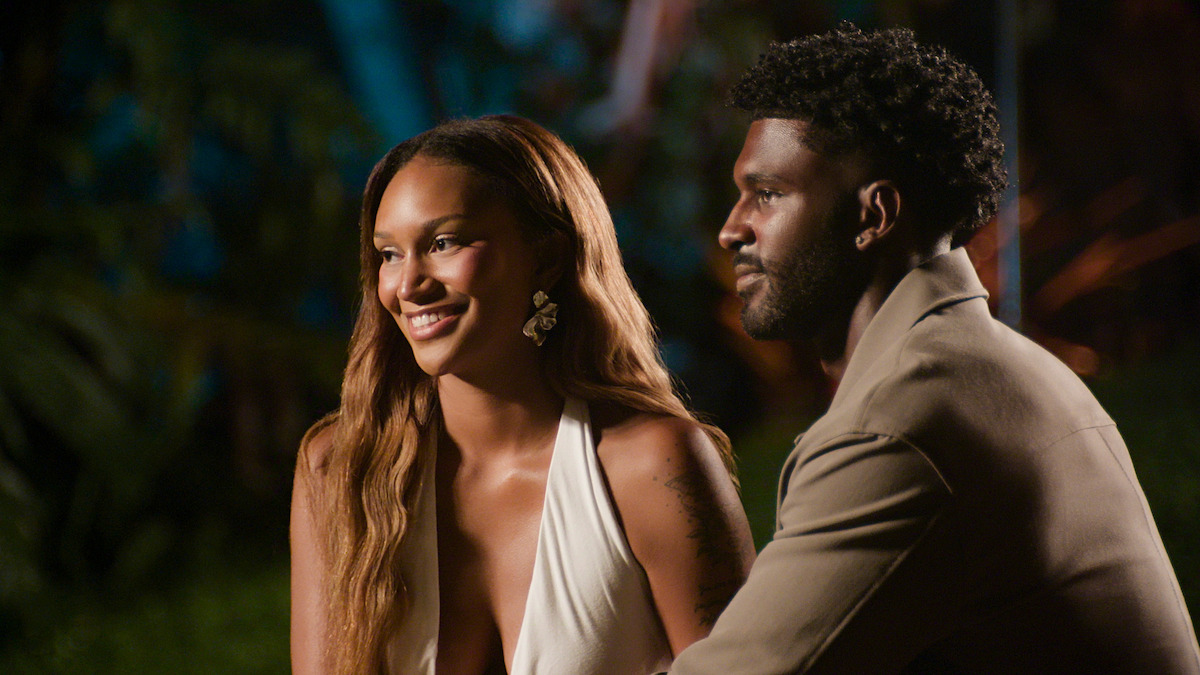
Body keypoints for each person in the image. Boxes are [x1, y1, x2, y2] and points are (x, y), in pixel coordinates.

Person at [665, 23, 1200, 674]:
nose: (731, 229)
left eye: (768, 194)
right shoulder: (1002, 366)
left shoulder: (900, 423)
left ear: (875, 216)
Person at [290, 115, 755, 675]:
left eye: (444, 243)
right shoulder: (341, 469)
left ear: (548, 257)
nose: (408, 286)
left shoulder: (652, 464)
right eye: (389, 254)